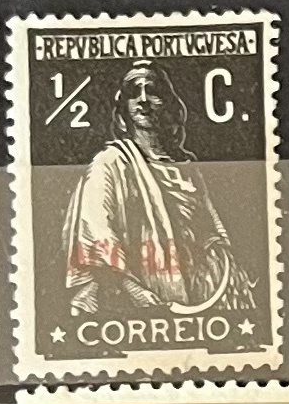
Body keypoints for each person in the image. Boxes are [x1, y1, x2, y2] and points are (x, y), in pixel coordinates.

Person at [62, 61, 256, 320]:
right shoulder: (110, 163)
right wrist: (135, 291)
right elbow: (96, 231)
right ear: (124, 108)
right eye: (134, 92)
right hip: (143, 300)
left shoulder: (187, 167)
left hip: (201, 296)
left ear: (167, 103)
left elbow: (212, 231)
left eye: (152, 91)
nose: (143, 100)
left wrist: (228, 273)